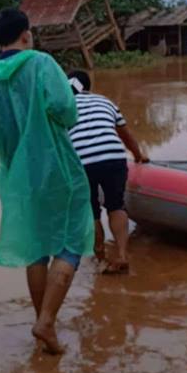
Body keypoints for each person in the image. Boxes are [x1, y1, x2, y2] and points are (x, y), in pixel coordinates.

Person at [0, 8, 93, 355]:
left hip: (18, 175)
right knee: (72, 241)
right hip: (58, 168)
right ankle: (46, 322)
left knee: (36, 248)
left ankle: (45, 323)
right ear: (26, 34)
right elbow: (66, 109)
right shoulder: (41, 63)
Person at [65, 70, 148, 275]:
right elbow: (126, 136)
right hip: (113, 156)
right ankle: (121, 255)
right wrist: (139, 156)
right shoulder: (105, 101)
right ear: (88, 87)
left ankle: (100, 258)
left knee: (91, 211)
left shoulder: (64, 107)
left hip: (83, 162)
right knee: (116, 206)